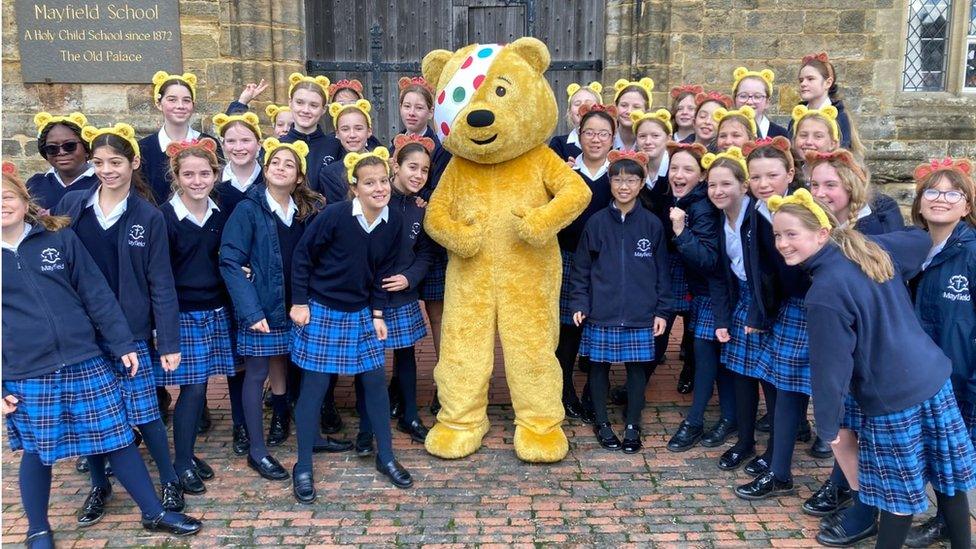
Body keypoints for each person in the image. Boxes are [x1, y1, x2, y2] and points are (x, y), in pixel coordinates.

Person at [2, 164, 202, 547]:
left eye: (7, 197)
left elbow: (95, 293)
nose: (2, 206)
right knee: (37, 453)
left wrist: (123, 343)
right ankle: (37, 528)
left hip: (84, 357)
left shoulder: (57, 239)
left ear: (24, 199)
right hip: (29, 370)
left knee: (117, 438)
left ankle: (154, 512)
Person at [768, 188, 975, 548]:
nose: (782, 243)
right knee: (948, 480)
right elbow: (918, 237)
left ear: (821, 233)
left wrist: (829, 427)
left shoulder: (825, 293)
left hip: (894, 398)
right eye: (777, 235)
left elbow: (830, 369)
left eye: (791, 234)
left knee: (896, 498)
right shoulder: (869, 251)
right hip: (932, 378)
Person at [52, 123, 185, 518]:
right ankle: (99, 485)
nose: (107, 170)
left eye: (115, 162)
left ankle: (170, 479)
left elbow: (161, 282)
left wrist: (170, 342)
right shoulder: (73, 207)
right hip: (84, 333)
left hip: (131, 332)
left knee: (145, 413)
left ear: (134, 162)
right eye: (99, 163)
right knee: (90, 417)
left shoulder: (148, 216)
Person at [290, 147, 413, 503]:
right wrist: (299, 302)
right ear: (355, 187)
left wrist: (378, 314)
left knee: (374, 381)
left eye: (383, 181)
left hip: (361, 312)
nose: (379, 188)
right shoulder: (334, 215)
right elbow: (302, 256)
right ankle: (303, 465)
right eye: (369, 182)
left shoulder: (393, 222)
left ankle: (385, 456)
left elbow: (382, 273)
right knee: (314, 387)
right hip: (323, 308)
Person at [220, 138, 340, 482]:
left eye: (289, 164)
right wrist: (250, 309)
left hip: (300, 306)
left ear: (299, 176)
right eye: (275, 163)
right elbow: (230, 261)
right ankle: (257, 451)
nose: (281, 168)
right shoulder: (248, 209)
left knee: (304, 372)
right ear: (266, 170)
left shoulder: (307, 210)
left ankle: (310, 435)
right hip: (262, 307)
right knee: (256, 373)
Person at [571, 150, 670, 453]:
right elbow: (581, 269)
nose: (624, 186)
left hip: (641, 312)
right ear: (610, 183)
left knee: (637, 369)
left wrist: (662, 310)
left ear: (641, 184)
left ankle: (632, 425)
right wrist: (580, 303)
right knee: (598, 368)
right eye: (617, 180)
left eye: (631, 180)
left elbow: (662, 271)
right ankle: (601, 422)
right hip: (602, 309)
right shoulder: (597, 223)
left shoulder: (652, 225)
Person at [156, 138, 236, 495]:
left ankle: (187, 455)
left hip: (216, 309)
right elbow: (159, 275)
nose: (197, 180)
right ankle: (182, 461)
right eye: (189, 174)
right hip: (185, 314)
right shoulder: (165, 217)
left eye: (204, 173)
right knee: (193, 389)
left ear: (215, 175)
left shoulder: (220, 215)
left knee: (205, 383)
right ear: (177, 176)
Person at [904, 157, 976, 547]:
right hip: (920, 373)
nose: (941, 199)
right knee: (935, 453)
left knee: (952, 459)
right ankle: (945, 522)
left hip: (959, 373)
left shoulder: (972, 252)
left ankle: (951, 526)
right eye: (932, 191)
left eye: (953, 193)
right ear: (919, 202)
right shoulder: (912, 249)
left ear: (967, 205)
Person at [554, 104, 615, 422]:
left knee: (599, 328)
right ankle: (565, 391)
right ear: (579, 135)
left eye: (603, 134)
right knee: (569, 330)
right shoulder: (566, 174)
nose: (595, 139)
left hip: (606, 264)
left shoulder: (618, 174)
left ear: (612, 139)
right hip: (569, 259)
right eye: (589, 132)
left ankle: (595, 393)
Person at [138, 71, 222, 205]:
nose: (180, 106)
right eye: (172, 100)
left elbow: (217, 191)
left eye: (186, 100)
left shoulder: (208, 144)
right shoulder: (143, 147)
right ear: (159, 103)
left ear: (193, 105)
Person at [27, 112, 99, 211]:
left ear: (86, 149)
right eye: (52, 148)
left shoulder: (102, 182)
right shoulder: (35, 184)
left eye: (69, 146)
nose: (61, 152)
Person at [549, 81, 602, 161]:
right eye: (577, 104)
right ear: (569, 112)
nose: (583, 107)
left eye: (589, 103)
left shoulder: (610, 143)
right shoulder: (558, 144)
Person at [731, 67, 788, 139]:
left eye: (757, 97)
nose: (749, 102)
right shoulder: (725, 133)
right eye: (743, 96)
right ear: (734, 99)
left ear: (767, 102)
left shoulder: (781, 135)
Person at [611, 78, 653, 151]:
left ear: (647, 111)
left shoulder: (652, 144)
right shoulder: (605, 140)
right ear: (616, 107)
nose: (629, 111)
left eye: (636, 107)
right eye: (624, 105)